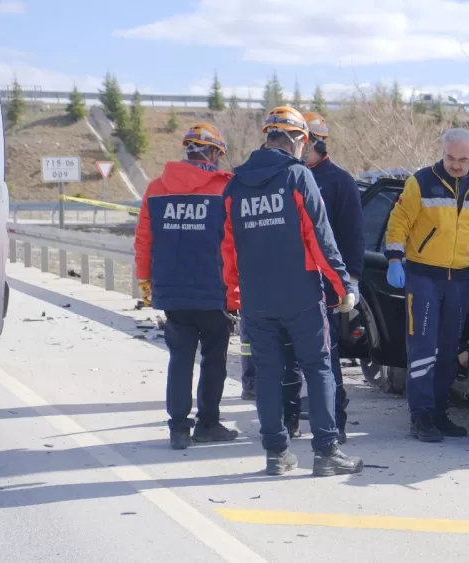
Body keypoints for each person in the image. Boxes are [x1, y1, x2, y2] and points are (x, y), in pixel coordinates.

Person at [221, 106, 361, 476]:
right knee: (318, 369)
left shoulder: (235, 185)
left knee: (267, 374)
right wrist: (341, 284)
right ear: (298, 139)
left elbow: (228, 247)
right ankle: (326, 451)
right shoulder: (297, 177)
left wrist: (234, 294)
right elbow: (319, 236)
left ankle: (276, 453)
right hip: (300, 293)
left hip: (256, 297)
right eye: (307, 141)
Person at [383, 127, 469, 442]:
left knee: (448, 350)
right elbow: (399, 221)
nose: (457, 165)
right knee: (422, 348)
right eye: (451, 157)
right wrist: (395, 259)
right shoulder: (421, 181)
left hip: (460, 280)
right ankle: (420, 416)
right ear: (442, 152)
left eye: (463, 159)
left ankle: (438, 412)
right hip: (423, 276)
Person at [134, 123, 239, 450]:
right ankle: (207, 424)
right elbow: (235, 244)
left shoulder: (156, 188)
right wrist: (237, 291)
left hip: (173, 293)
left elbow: (143, 240)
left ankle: (178, 429)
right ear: (213, 152)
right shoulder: (226, 189)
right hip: (215, 292)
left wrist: (144, 280)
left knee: (179, 360)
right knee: (214, 360)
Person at [303, 111, 365, 444]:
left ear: (312, 141)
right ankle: (290, 418)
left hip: (326, 286)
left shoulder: (338, 181)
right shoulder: (290, 176)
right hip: (293, 282)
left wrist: (351, 280)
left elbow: (353, 234)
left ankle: (335, 423)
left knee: (326, 357)